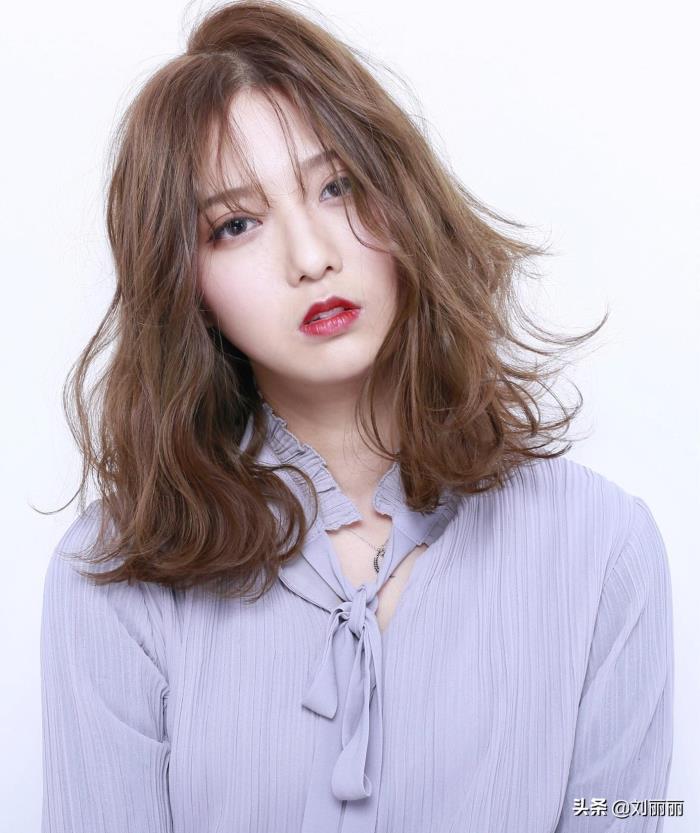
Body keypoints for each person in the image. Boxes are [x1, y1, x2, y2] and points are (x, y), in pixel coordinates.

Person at [39, 1, 674, 831]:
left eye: (337, 186)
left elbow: (625, 810)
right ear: (183, 283)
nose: (311, 257)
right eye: (236, 224)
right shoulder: (115, 578)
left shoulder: (602, 549)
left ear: (403, 195)